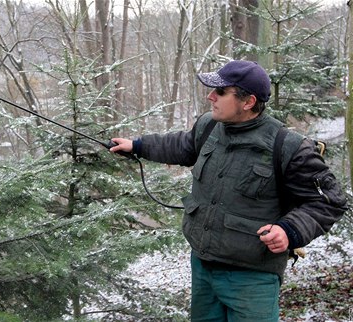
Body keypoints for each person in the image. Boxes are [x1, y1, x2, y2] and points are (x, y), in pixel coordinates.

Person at [110, 60, 347, 322]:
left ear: (248, 102)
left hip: (252, 278)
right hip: (203, 266)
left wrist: (289, 230)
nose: (210, 96)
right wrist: (138, 146)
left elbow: (329, 201)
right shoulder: (209, 126)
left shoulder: (288, 147)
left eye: (221, 92)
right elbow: (183, 145)